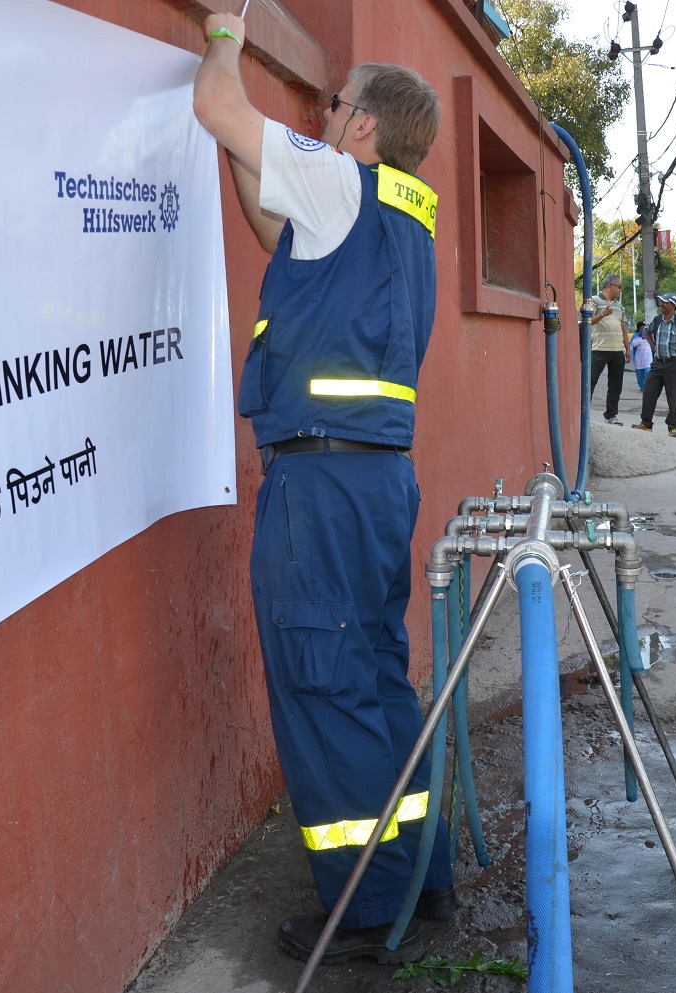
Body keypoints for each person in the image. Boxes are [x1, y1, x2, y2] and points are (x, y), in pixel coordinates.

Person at [193, 14, 451, 966]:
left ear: (363, 127)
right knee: (378, 675)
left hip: (323, 484)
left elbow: (217, 100)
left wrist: (224, 25)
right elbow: (273, 225)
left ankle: (360, 909)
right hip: (376, 479)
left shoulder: (342, 181)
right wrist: (237, 153)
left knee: (324, 683)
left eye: (333, 104)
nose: (323, 110)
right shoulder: (396, 211)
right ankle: (422, 877)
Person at [632, 293, 676, 437]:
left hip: (675, 364)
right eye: (662, 302)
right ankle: (646, 423)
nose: (662, 304)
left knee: (674, 397)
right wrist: (653, 345)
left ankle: (673, 427)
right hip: (658, 363)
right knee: (649, 392)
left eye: (666, 302)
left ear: (674, 306)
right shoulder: (657, 321)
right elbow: (647, 332)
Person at [587, 274, 631, 424]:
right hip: (599, 349)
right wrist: (603, 314)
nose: (620, 289)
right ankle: (584, 413)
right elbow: (588, 321)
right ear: (610, 286)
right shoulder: (594, 300)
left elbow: (623, 328)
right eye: (619, 286)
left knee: (615, 384)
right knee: (590, 381)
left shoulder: (619, 306)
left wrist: (628, 349)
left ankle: (611, 415)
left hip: (617, 350)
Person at [630, 320, 652, 390]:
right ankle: (642, 387)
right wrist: (640, 337)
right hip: (639, 358)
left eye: (644, 328)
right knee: (640, 375)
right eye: (641, 328)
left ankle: (648, 386)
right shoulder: (636, 336)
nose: (642, 330)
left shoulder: (649, 335)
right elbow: (633, 344)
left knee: (647, 372)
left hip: (648, 358)